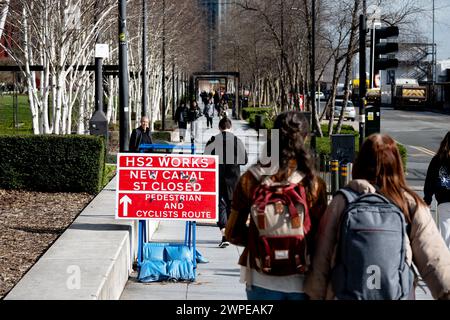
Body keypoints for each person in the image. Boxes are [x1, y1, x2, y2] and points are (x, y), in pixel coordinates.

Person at [305, 134, 450, 300]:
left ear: (359, 164)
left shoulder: (342, 201)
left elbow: (322, 256)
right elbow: (434, 258)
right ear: (397, 166)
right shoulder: (409, 204)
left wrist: (315, 293)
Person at [225, 111, 328, 300]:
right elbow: (321, 236)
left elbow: (231, 233)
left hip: (260, 277)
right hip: (303, 279)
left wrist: (262, 237)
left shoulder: (251, 179)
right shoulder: (313, 183)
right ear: (304, 139)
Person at [204, 117, 248, 248]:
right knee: (231, 206)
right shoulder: (237, 141)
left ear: (219, 128)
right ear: (231, 128)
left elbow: (206, 159)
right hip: (233, 179)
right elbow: (244, 160)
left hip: (217, 177)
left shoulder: (213, 140)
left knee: (219, 206)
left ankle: (224, 233)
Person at [424, 131, 450, 249]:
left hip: (444, 201)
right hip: (443, 200)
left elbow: (430, 180)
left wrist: (427, 199)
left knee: (445, 233)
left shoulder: (437, 160)